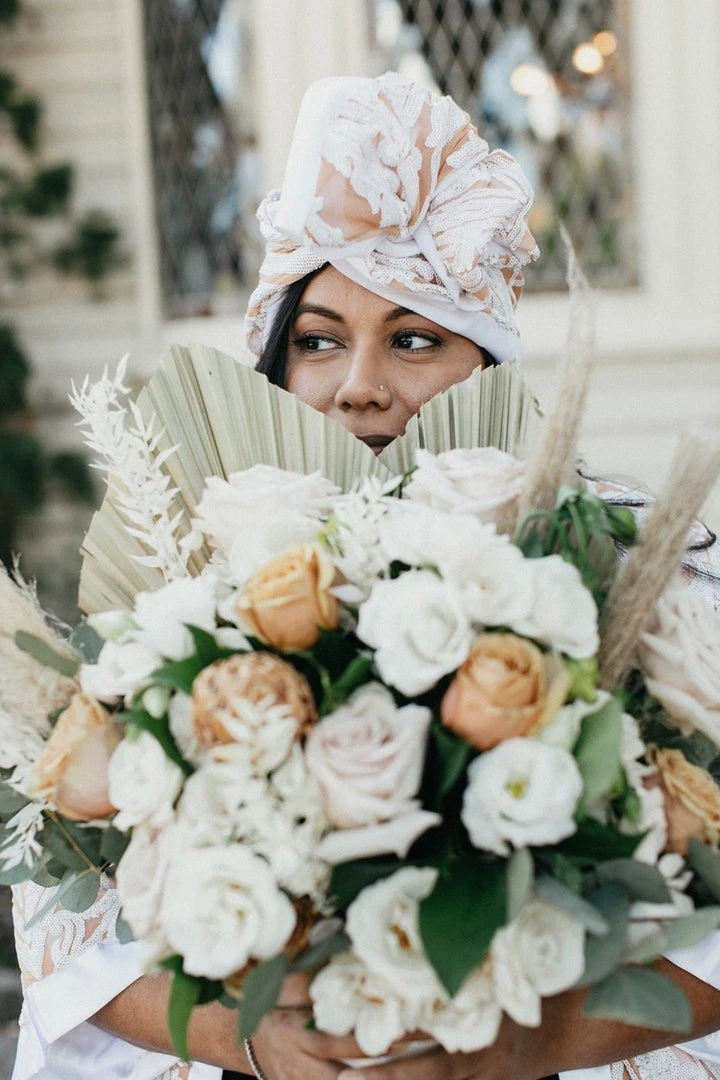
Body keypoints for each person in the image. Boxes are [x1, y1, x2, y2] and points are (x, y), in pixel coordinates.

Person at [10, 72, 720, 1080]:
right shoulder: (184, 569)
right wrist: (259, 1043)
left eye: (416, 338)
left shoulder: (632, 565)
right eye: (318, 340)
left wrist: (494, 1053)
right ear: (274, 362)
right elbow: (61, 924)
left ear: (491, 364)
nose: (359, 387)